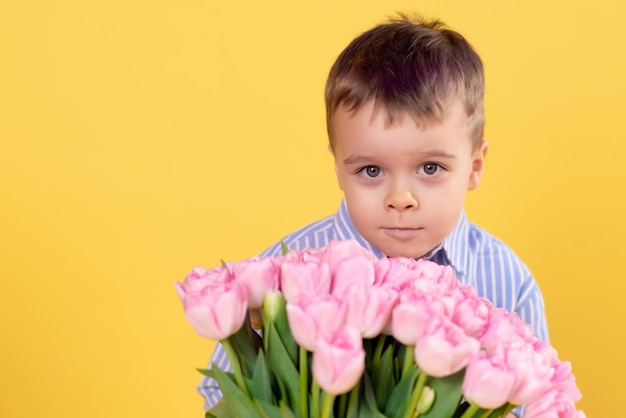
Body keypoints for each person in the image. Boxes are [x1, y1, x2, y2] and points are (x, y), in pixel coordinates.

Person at [199, 14, 549, 416]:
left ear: (474, 166)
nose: (400, 198)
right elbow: (220, 389)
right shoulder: (284, 273)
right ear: (338, 167)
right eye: (371, 170)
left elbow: (534, 405)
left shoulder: (508, 282)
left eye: (430, 168)